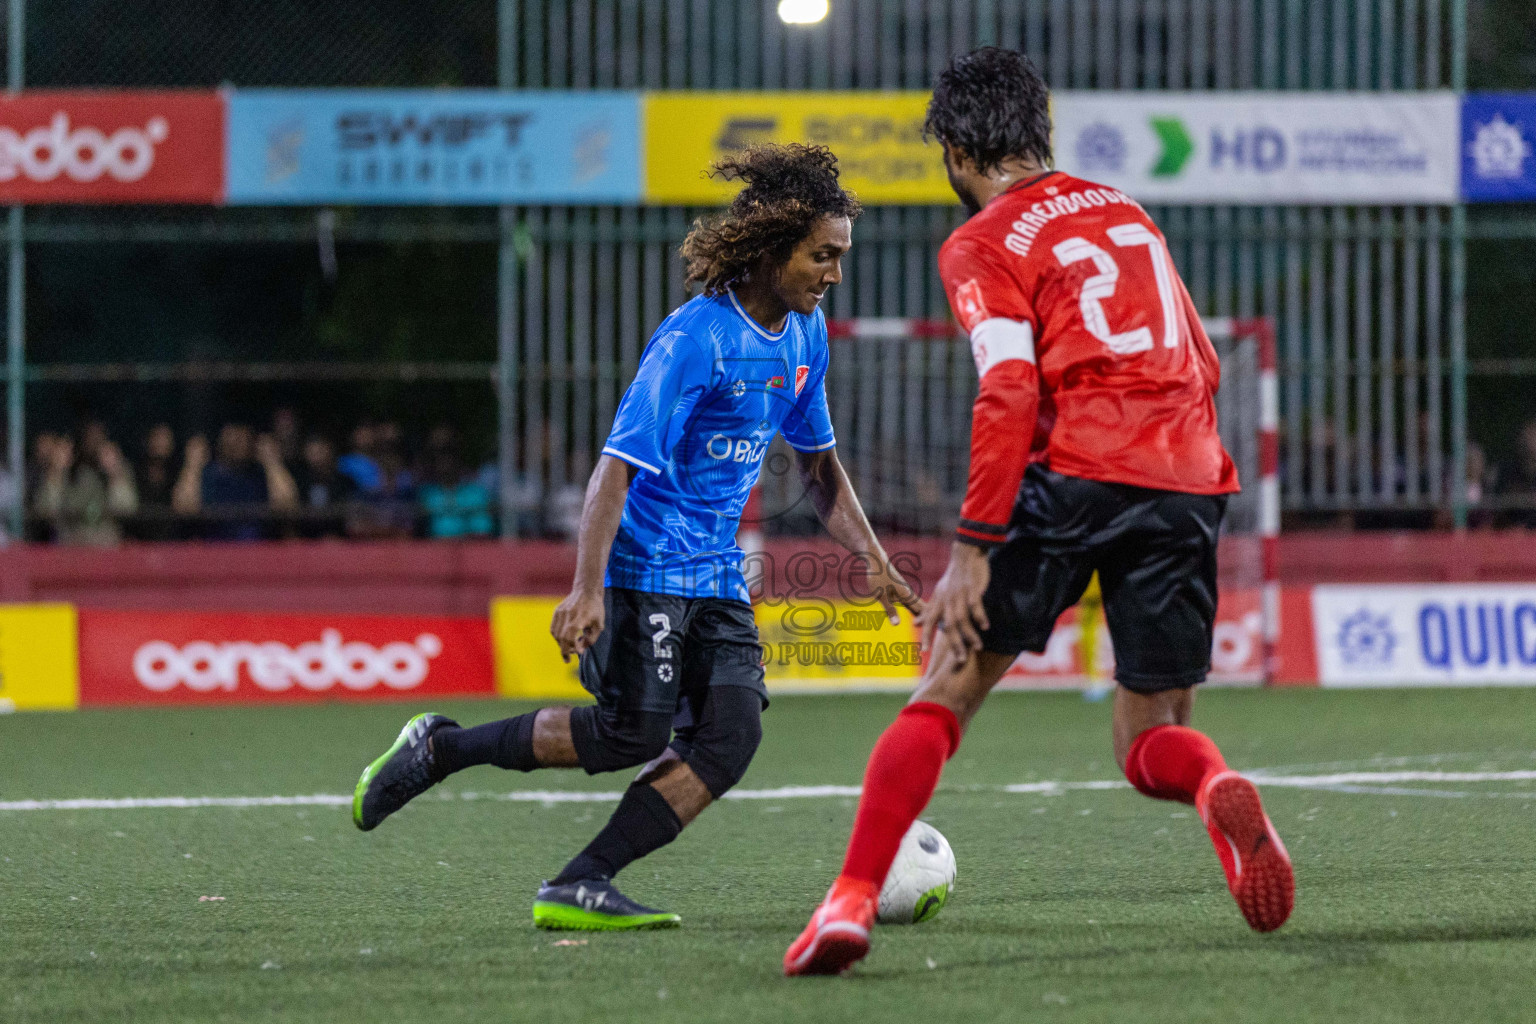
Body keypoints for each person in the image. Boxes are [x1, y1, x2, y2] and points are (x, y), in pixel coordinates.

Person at [784, 48, 1294, 977]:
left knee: (947, 690)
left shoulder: (984, 239)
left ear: (958, 151)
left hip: (1074, 472)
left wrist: (975, 546)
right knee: (1149, 740)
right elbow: (1203, 362)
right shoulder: (1129, 212)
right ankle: (1215, 782)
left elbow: (1010, 386)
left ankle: (848, 900)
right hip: (1187, 473)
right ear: (1041, 129)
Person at [352, 143, 918, 930]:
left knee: (731, 737)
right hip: (643, 564)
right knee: (631, 733)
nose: (834, 275)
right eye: (823, 256)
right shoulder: (693, 341)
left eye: (840, 257)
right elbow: (613, 471)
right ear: (771, 247)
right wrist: (586, 589)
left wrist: (877, 563)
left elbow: (820, 468)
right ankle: (439, 749)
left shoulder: (806, 337)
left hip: (715, 574)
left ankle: (581, 880)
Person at [172, 424, 299, 541]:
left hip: (258, 552)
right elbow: (184, 508)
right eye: (233, 434)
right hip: (214, 552)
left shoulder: (261, 475)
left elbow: (286, 506)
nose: (238, 441)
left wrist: (272, 463)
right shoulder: (207, 474)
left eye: (243, 435)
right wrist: (193, 465)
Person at [31, 424, 139, 547]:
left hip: (105, 544)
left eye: (98, 440)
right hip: (69, 545)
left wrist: (115, 474)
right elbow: (45, 511)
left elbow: (127, 509)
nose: (93, 443)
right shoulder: (59, 476)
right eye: (88, 438)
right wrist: (56, 473)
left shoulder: (118, 473)